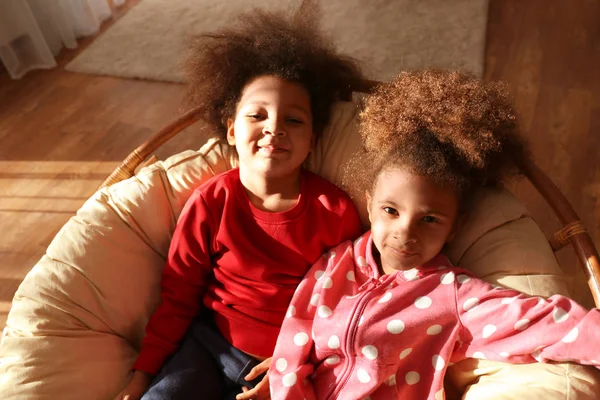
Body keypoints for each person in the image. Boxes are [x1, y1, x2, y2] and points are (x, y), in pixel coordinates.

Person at [268, 70, 600, 399]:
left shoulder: (453, 294)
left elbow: (540, 321)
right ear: (369, 206)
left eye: (429, 219)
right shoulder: (335, 264)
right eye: (391, 211)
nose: (405, 232)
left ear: (454, 226)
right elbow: (292, 347)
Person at [114, 3, 364, 400]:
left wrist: (297, 364)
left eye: (293, 120)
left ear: (313, 141)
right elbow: (178, 296)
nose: (274, 128)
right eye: (258, 116)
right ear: (230, 131)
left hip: (290, 360)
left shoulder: (334, 210)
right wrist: (144, 374)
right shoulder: (211, 202)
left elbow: (346, 305)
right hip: (208, 346)